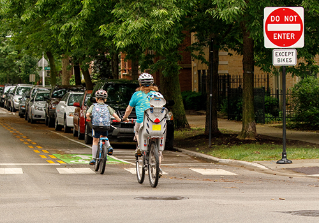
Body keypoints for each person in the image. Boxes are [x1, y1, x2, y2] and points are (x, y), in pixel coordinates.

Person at [121, 73, 159, 155]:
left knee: (137, 131)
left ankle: (140, 146)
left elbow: (129, 109)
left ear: (140, 83)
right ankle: (158, 164)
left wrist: (125, 118)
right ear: (152, 83)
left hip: (141, 121)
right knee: (158, 141)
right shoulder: (157, 95)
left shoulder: (136, 95)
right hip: (156, 122)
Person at [86, 89, 121, 165]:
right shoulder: (107, 107)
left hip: (96, 126)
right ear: (105, 99)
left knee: (95, 140)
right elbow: (115, 116)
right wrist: (119, 120)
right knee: (104, 136)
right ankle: (109, 147)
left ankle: (94, 158)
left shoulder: (93, 106)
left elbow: (87, 114)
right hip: (105, 126)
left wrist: (88, 118)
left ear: (96, 99)